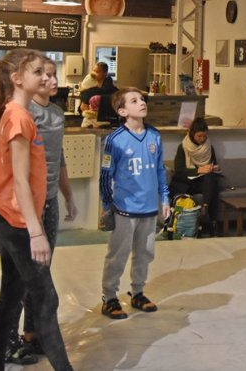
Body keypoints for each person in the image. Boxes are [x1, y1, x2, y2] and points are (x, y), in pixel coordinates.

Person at [0, 49, 73, 371]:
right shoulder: (20, 117)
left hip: (14, 217)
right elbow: (20, 181)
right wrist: (35, 232)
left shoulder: (17, 113)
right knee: (45, 298)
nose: (46, 77)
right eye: (38, 71)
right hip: (17, 221)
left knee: (11, 295)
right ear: (18, 79)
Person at [98, 87, 170, 319]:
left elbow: (160, 170)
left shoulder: (155, 136)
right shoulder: (114, 140)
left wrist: (164, 199)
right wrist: (108, 204)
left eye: (142, 99)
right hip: (125, 209)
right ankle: (109, 296)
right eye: (134, 100)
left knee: (145, 252)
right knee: (118, 254)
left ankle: (138, 291)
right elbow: (105, 175)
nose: (141, 103)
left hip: (150, 208)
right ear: (122, 111)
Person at [169, 117, 221, 236]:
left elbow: (213, 163)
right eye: (199, 136)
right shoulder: (183, 147)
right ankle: (208, 219)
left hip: (202, 182)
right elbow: (179, 170)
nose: (202, 139)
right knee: (210, 185)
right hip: (186, 182)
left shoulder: (209, 147)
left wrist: (214, 168)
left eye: (204, 136)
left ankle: (205, 207)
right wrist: (198, 170)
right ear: (193, 134)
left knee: (211, 178)